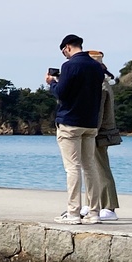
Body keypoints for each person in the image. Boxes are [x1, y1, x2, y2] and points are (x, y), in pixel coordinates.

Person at [46, 34, 105, 225]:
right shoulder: (97, 67)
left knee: (72, 168)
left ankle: (73, 213)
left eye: (64, 51)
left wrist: (52, 83)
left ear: (67, 48)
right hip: (90, 122)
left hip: (70, 122)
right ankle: (94, 212)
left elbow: (61, 93)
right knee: (90, 167)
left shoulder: (70, 66)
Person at [83, 50, 121, 221]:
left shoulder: (100, 85)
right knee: (93, 168)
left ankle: (108, 206)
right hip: (97, 131)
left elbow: (98, 113)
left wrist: (90, 131)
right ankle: (94, 203)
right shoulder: (101, 82)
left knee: (100, 169)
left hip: (98, 132)